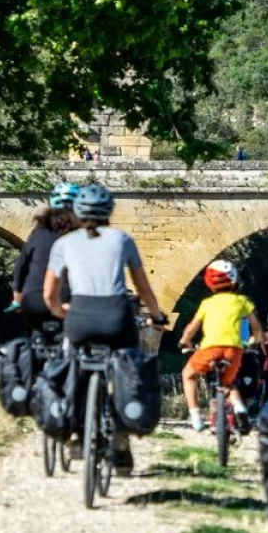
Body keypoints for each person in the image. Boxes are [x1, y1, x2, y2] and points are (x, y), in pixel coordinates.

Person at [44, 182, 167, 475]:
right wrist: (157, 314)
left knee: (74, 365)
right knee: (127, 366)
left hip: (80, 316)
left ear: (77, 212)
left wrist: (60, 312)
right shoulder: (122, 240)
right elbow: (142, 286)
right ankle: (121, 439)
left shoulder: (64, 243)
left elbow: (50, 293)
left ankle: (75, 434)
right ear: (109, 212)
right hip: (117, 315)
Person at [180, 259, 258, 434]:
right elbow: (257, 327)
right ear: (235, 280)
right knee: (228, 383)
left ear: (209, 282)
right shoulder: (243, 301)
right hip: (234, 350)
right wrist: (257, 340)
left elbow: (192, 327)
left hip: (210, 348)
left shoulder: (207, 304)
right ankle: (240, 409)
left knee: (188, 374)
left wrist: (185, 340)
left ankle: (196, 417)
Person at [8, 182, 79, 337]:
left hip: (33, 302)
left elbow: (21, 267)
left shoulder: (38, 232)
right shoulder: (84, 235)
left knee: (38, 335)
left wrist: (17, 299)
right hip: (68, 300)